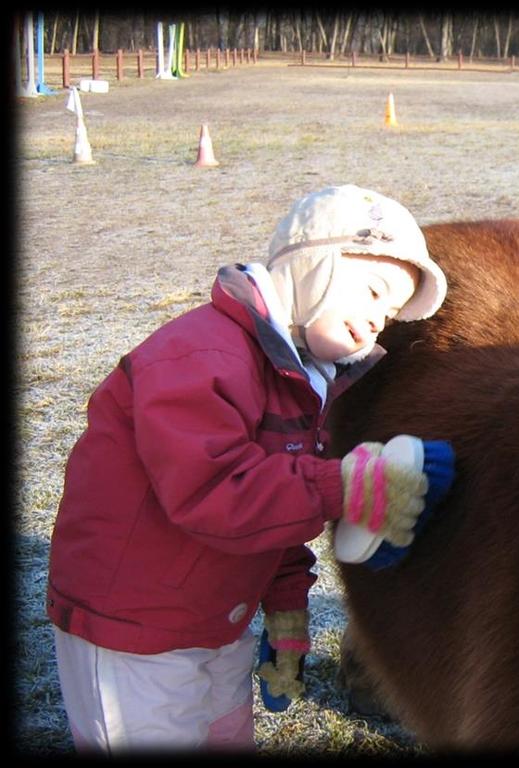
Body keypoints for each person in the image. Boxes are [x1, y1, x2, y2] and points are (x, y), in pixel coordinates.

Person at [45, 184, 450, 752]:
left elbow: (277, 509)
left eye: (389, 314)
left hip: (215, 619)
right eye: (374, 291)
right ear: (314, 266)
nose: (378, 320)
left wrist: (285, 612)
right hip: (136, 629)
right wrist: (346, 486)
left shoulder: (302, 383)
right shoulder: (201, 358)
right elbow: (215, 492)